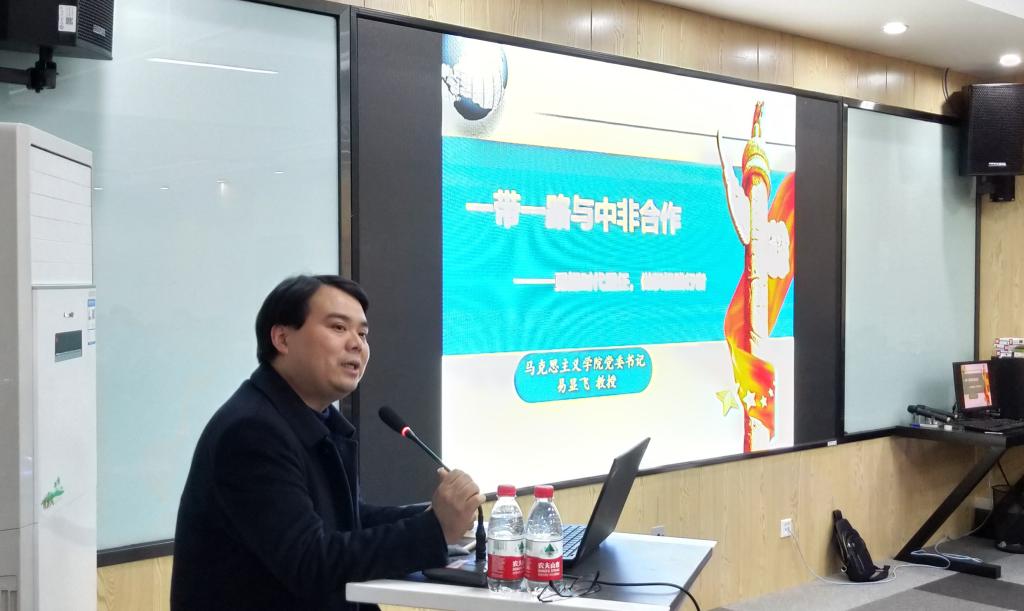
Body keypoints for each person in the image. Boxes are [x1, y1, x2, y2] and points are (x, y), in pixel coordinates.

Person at [171, 275, 484, 610]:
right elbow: (311, 562)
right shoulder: (251, 432)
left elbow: (346, 520)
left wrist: (431, 515)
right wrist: (433, 530)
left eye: (363, 334)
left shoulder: (314, 419)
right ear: (282, 338)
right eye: (338, 328)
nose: (356, 344)